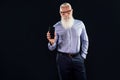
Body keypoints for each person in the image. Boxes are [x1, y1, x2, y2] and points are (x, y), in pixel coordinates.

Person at [46, 2, 89, 80]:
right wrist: (52, 42)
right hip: (63, 59)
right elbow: (52, 48)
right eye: (63, 13)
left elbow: (85, 40)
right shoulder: (56, 27)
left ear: (72, 11)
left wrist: (83, 56)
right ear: (60, 13)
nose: (66, 15)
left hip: (78, 58)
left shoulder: (80, 24)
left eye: (68, 12)